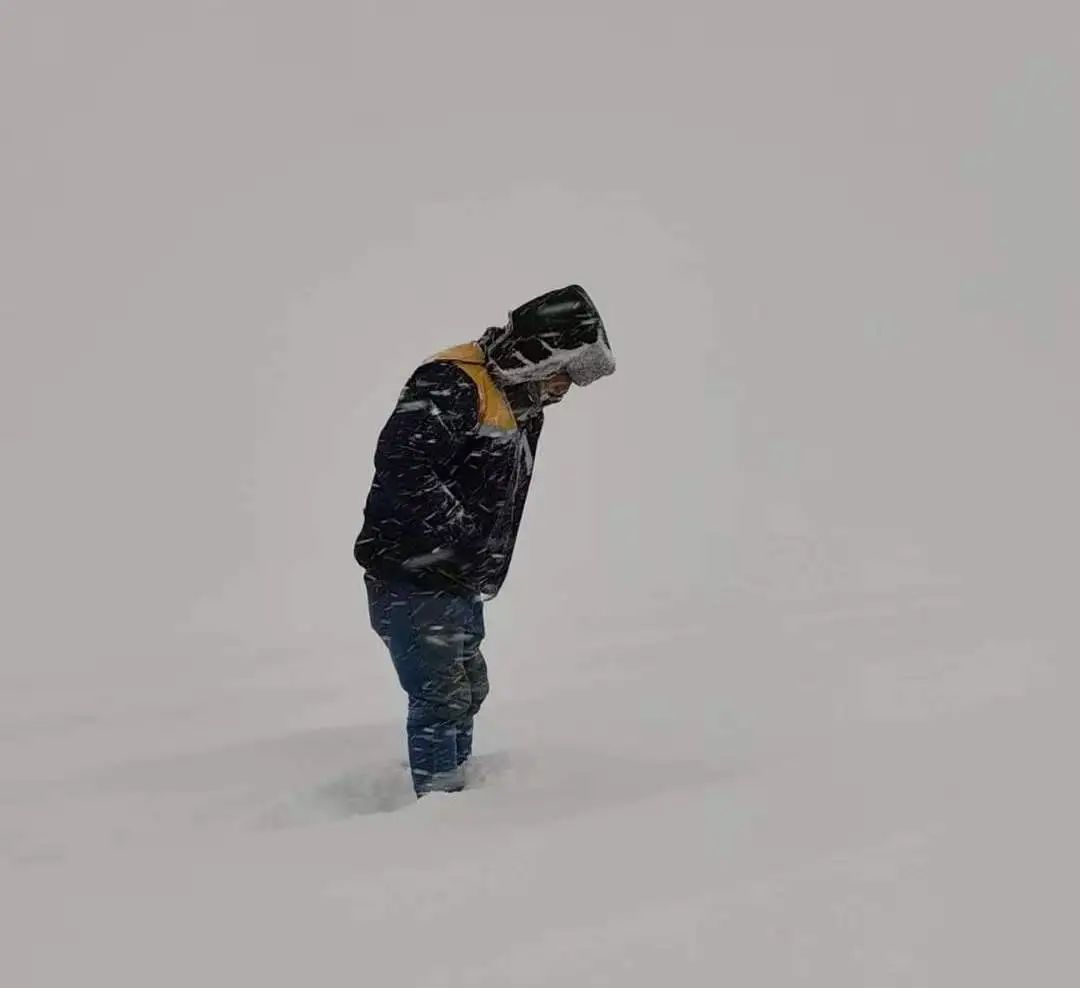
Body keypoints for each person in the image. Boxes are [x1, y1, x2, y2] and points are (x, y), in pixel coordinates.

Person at [354, 285, 616, 796]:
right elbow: (404, 469)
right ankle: (439, 806)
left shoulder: (519, 398)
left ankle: (463, 791)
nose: (565, 389)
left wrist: (474, 557)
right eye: (564, 374)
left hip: (457, 578)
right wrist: (465, 538)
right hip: (412, 575)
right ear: (541, 356)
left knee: (467, 690)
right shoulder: (453, 383)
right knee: (439, 698)